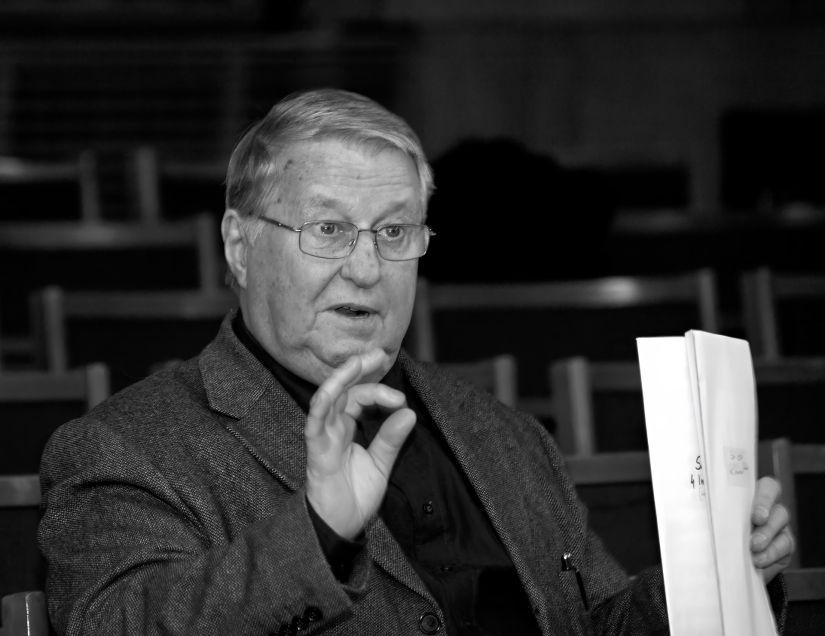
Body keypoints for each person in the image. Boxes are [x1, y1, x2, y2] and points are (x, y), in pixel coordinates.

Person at [38, 88, 794, 635]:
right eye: (328, 229)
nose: (367, 268)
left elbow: (592, 624)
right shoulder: (128, 448)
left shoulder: (502, 434)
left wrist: (713, 581)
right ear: (239, 246)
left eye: (395, 232)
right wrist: (317, 532)